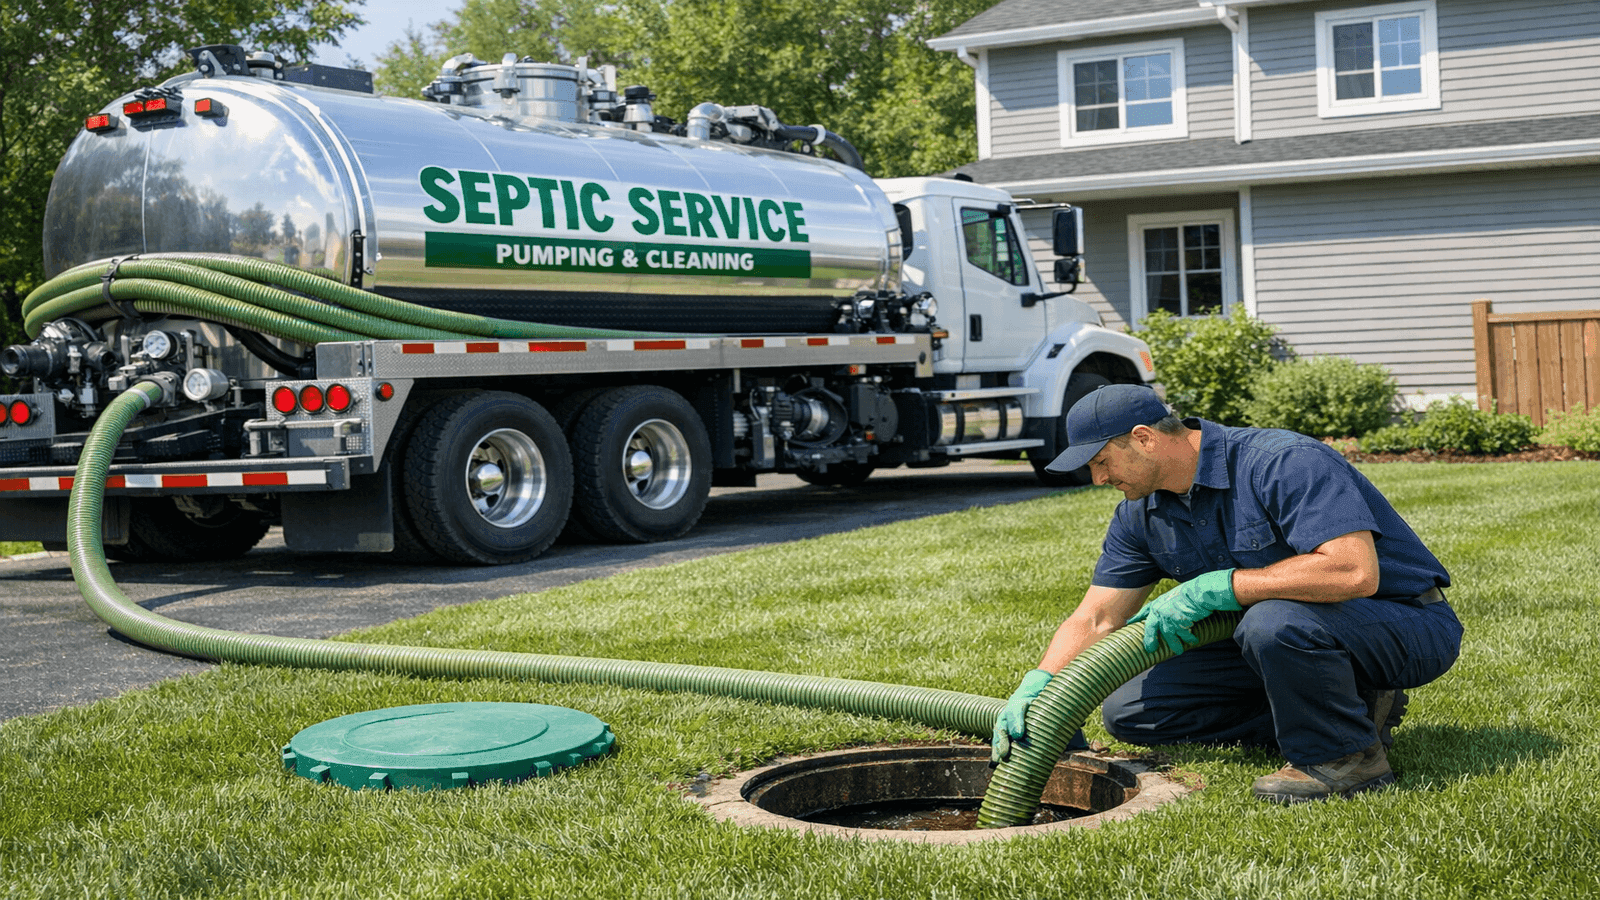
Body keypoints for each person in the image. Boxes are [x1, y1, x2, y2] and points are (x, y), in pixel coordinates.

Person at [991, 383, 1463, 803]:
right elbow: (1098, 618)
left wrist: (1224, 585)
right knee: (1132, 711)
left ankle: (1346, 759)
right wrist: (1043, 688)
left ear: (1143, 438)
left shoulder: (1281, 462)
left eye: (1101, 462)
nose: (1098, 479)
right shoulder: (1140, 515)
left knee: (1273, 620)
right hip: (1275, 639)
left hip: (1399, 621)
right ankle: (1342, 708)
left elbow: (1353, 573)